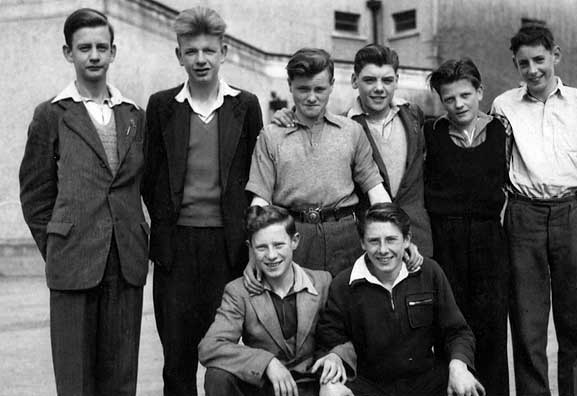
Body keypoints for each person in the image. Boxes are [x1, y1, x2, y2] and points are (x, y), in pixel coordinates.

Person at [19, 8, 147, 395]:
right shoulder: (52, 114)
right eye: (84, 48)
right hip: (73, 260)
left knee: (120, 378)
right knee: (75, 381)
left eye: (101, 47)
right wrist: (60, 243)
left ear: (113, 53)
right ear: (67, 53)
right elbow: (35, 195)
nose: (94, 55)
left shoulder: (133, 115)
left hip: (125, 261)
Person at [142, 6, 263, 395]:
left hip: (228, 250)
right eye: (191, 51)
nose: (200, 59)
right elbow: (151, 177)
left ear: (223, 52)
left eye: (209, 50)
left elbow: (256, 173)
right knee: (177, 357)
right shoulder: (162, 106)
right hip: (175, 250)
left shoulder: (245, 105)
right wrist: (165, 228)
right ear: (179, 55)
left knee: (226, 355)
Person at [491, 24, 577, 396]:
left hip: (571, 213)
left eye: (539, 59)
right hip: (523, 215)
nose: (532, 70)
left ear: (555, 54)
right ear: (516, 65)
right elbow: (497, 165)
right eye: (523, 63)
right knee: (528, 324)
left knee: (576, 322)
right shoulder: (503, 105)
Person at [272, 44, 433, 258]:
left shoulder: (413, 115)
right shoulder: (344, 128)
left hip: (416, 236)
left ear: (397, 80)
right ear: (354, 81)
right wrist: (290, 113)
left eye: (387, 80)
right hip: (371, 241)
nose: (379, 88)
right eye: (369, 80)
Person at [244, 48, 391, 278]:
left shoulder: (352, 131)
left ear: (332, 85)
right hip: (292, 238)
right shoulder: (271, 136)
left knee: (346, 308)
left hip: (345, 237)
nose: (312, 97)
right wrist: (255, 254)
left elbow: (375, 190)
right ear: (290, 85)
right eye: (303, 89)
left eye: (320, 89)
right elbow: (260, 200)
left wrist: (396, 236)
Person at [317, 203, 485, 396]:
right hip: (370, 386)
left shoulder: (429, 273)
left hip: (425, 383)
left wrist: (458, 367)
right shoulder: (344, 284)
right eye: (373, 241)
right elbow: (328, 340)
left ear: (407, 240)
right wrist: (334, 358)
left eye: (391, 240)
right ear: (362, 242)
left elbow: (457, 332)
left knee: (465, 385)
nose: (383, 250)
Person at [198, 205, 355, 396]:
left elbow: (352, 336)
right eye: (262, 247)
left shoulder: (323, 282)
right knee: (217, 375)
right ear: (251, 249)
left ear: (294, 241)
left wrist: (336, 356)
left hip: (312, 383)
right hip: (264, 386)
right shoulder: (238, 291)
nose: (271, 255)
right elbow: (210, 346)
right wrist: (267, 363)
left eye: (278, 245)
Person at [424, 58, 510, 396]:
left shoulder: (502, 130)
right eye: (449, 98)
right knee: (451, 327)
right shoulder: (431, 132)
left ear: (479, 92)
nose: (458, 104)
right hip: (447, 241)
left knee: (491, 331)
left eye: (465, 95)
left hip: (490, 241)